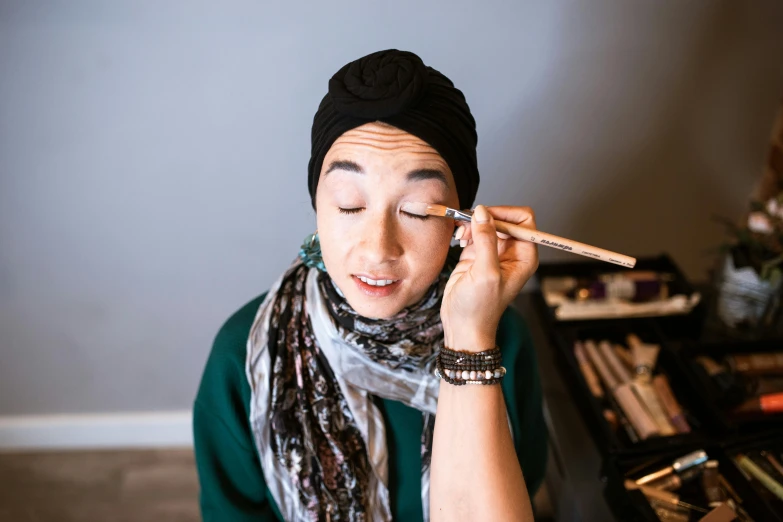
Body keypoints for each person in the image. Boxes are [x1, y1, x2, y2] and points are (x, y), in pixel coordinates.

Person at [193, 49, 547, 522]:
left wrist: (470, 342)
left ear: (460, 222)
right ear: (317, 205)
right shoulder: (244, 354)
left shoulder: (502, 340)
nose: (379, 248)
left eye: (419, 211)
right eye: (349, 205)